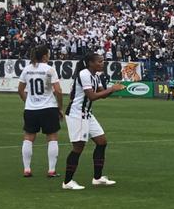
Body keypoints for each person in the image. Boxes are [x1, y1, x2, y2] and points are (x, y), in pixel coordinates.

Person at [62, 52, 125, 190]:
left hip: (87, 113)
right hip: (77, 113)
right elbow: (91, 96)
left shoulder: (95, 76)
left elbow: (103, 95)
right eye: (99, 61)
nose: (102, 63)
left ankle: (97, 178)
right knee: (78, 147)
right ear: (90, 63)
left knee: (102, 142)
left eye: (102, 61)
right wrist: (111, 89)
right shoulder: (84, 74)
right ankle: (67, 182)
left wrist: (114, 89)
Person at [17, 44, 64, 178]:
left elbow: (20, 90)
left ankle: (27, 169)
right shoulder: (49, 70)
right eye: (48, 54)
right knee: (52, 137)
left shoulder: (27, 69)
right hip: (48, 107)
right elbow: (58, 90)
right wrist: (59, 107)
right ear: (44, 56)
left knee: (28, 137)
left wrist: (28, 102)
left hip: (31, 109)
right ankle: (51, 170)